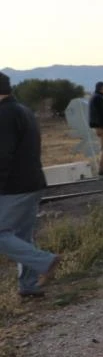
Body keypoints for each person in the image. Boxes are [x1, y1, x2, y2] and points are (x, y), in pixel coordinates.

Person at [0, 72, 61, 298]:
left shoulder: (4, 115)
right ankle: (28, 285)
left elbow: (2, 155)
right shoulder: (23, 110)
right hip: (32, 182)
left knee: (2, 234)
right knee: (22, 236)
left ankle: (45, 261)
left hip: (15, 186)